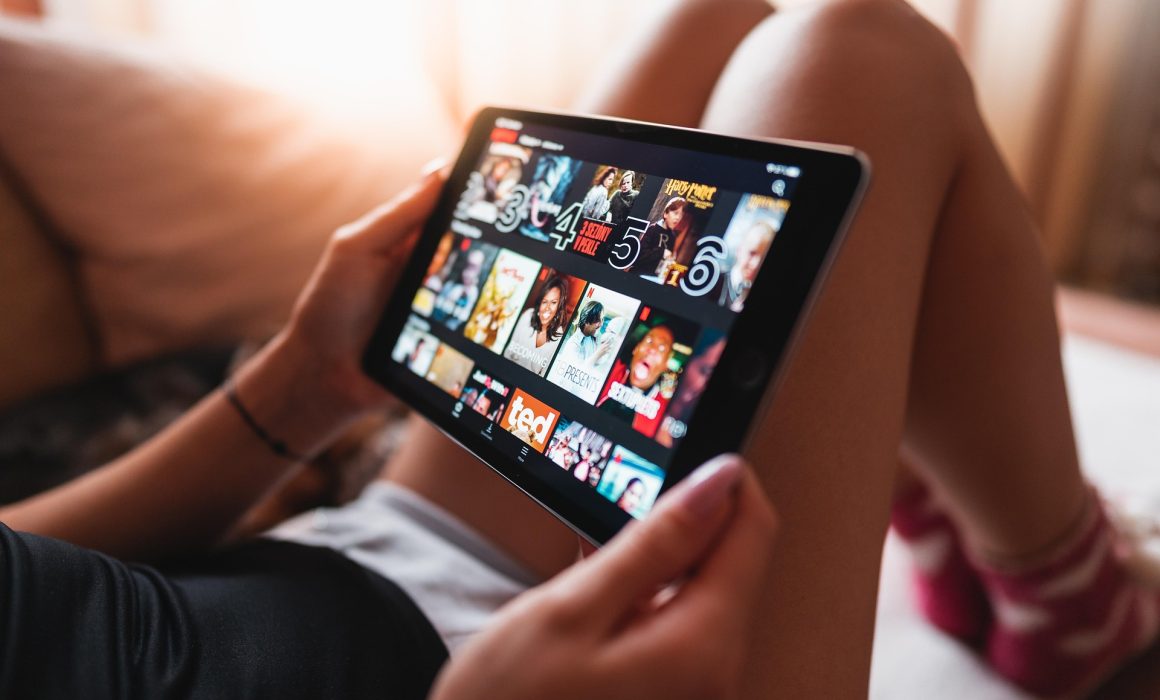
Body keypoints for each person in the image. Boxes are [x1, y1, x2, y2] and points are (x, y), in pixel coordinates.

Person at [3, 0, 1159, 698]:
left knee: (712, 17)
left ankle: (991, 531)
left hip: (359, 557)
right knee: (861, 52)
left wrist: (300, 384)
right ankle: (1062, 592)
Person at [502, 275, 571, 376]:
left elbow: (543, 375)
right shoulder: (528, 316)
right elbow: (507, 353)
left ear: (559, 306)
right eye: (544, 302)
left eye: (553, 302)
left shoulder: (559, 338)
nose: (547, 308)